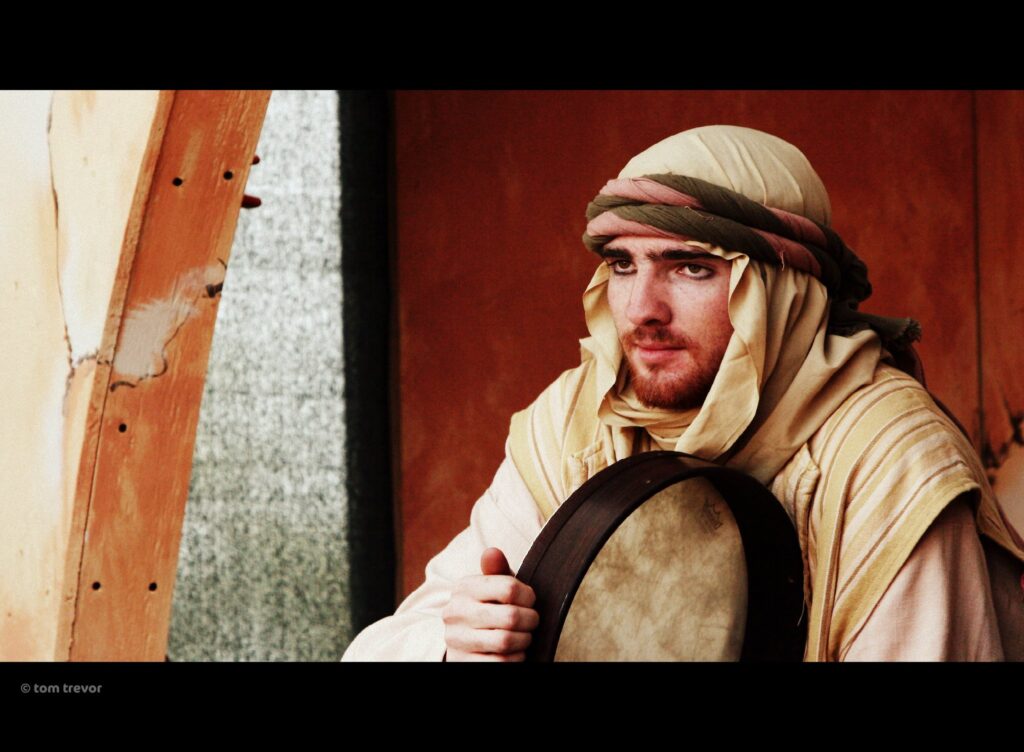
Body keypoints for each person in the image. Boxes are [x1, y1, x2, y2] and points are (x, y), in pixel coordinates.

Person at [342, 125, 1023, 662]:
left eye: (692, 268)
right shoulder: (581, 422)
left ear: (784, 292)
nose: (640, 309)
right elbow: (378, 650)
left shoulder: (888, 457)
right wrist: (458, 646)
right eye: (621, 264)